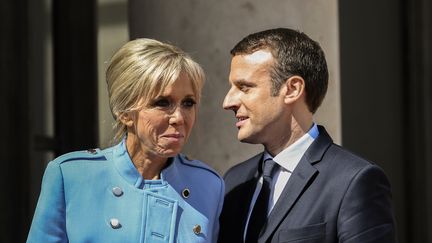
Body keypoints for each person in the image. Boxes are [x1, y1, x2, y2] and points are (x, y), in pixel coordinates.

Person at [27, 38, 224, 243]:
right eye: (162, 103)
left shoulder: (209, 185)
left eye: (188, 103)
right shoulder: (70, 176)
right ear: (124, 113)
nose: (179, 118)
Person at [218, 28, 396, 243]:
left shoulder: (353, 181)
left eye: (244, 87)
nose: (228, 102)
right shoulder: (234, 181)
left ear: (292, 89)